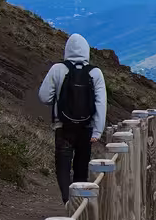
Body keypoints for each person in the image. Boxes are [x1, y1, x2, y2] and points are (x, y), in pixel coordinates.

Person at [38, 33, 107, 204]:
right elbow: (101, 104)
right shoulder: (95, 73)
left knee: (62, 165)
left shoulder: (57, 69)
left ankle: (67, 200)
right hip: (86, 128)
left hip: (63, 126)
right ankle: (78, 205)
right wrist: (97, 131)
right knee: (81, 166)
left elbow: (44, 97)